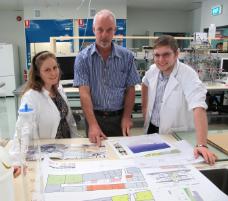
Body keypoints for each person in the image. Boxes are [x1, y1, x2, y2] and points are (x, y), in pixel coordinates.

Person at [141, 35, 217, 165]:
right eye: (157, 55)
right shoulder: (153, 70)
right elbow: (145, 83)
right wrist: (144, 110)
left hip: (175, 133)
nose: (161, 60)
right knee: (150, 165)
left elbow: (198, 106)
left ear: (176, 54)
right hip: (151, 128)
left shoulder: (188, 75)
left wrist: (202, 145)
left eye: (166, 55)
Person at [74, 9, 141, 146]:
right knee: (96, 157)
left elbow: (130, 89)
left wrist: (127, 117)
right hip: (94, 117)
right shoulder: (83, 58)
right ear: (93, 29)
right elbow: (84, 93)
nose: (104, 35)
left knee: (121, 157)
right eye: (100, 30)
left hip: (119, 118)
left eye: (109, 30)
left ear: (114, 30)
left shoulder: (127, 57)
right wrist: (92, 124)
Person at [10, 51, 78, 177]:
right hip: (48, 155)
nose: (53, 73)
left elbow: (69, 121)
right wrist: (17, 161)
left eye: (55, 67)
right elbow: (21, 130)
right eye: (47, 70)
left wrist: (77, 143)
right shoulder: (31, 97)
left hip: (67, 149)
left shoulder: (58, 88)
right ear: (38, 73)